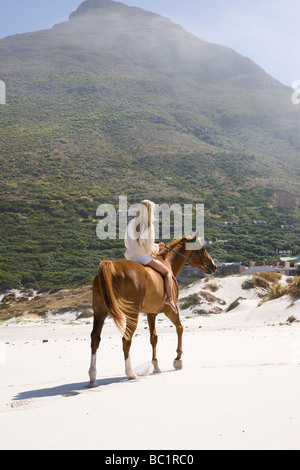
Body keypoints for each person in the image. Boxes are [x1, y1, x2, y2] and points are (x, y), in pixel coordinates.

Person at [125, 200, 178, 314]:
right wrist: (157, 246)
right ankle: (169, 299)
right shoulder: (148, 225)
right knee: (168, 273)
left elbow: (126, 242)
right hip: (143, 258)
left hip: (130, 258)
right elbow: (149, 247)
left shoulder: (131, 223)